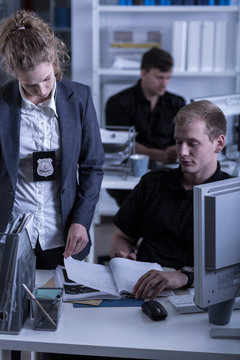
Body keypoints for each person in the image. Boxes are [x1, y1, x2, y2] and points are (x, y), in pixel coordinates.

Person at [0, 10, 104, 270]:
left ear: (54, 59)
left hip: (63, 233)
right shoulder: (1, 103)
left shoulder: (79, 98)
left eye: (46, 79)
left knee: (65, 305)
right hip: (11, 233)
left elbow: (92, 166)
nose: (43, 91)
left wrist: (82, 220)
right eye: (30, 86)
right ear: (14, 73)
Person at [110, 100, 232, 300]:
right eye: (178, 141)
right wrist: (123, 259)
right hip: (142, 291)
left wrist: (184, 276)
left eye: (192, 143)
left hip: (199, 296)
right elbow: (122, 237)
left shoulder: (230, 196)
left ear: (218, 143)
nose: (182, 152)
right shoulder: (152, 183)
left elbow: (232, 267)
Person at [105, 46, 186, 206]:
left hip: (168, 169)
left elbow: (184, 138)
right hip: (129, 171)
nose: (165, 84)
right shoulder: (118, 102)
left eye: (168, 78)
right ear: (143, 73)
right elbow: (122, 145)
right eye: (159, 77)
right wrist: (160, 155)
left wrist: (177, 149)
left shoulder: (177, 103)